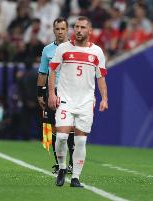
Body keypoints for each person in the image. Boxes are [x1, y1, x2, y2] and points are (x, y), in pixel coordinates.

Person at [48, 16, 108, 188]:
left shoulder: (97, 52)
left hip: (86, 102)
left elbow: (101, 77)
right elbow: (52, 72)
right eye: (76, 27)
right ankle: (61, 167)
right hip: (65, 99)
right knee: (61, 137)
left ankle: (75, 178)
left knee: (80, 141)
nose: (79, 30)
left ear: (90, 31)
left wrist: (104, 98)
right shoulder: (63, 49)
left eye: (82, 27)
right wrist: (52, 94)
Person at [37, 17, 74, 174]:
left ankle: (72, 163)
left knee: (70, 128)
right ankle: (59, 164)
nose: (60, 32)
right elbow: (42, 72)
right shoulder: (47, 50)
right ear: (53, 30)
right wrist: (40, 94)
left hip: (70, 91)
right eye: (57, 29)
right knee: (53, 128)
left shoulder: (74, 48)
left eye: (62, 29)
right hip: (52, 91)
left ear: (67, 30)